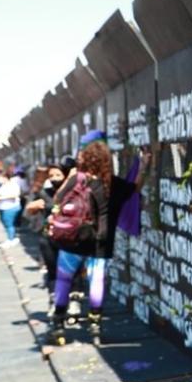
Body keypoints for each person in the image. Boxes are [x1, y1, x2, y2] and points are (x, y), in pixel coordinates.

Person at [48, 131, 149, 344]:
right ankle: (95, 324)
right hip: (101, 241)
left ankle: (58, 324)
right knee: (97, 280)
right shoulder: (112, 183)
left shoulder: (77, 178)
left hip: (73, 237)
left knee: (64, 278)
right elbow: (136, 188)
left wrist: (74, 174)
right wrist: (145, 164)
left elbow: (56, 198)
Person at [24, 162, 71, 295]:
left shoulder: (72, 193)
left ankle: (72, 300)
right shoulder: (44, 193)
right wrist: (33, 207)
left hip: (69, 236)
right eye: (51, 175)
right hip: (48, 236)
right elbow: (29, 211)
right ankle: (54, 299)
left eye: (58, 175)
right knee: (53, 270)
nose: (54, 178)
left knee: (70, 271)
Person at [0, 171, 23, 248]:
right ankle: (12, 237)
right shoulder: (2, 186)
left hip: (10, 207)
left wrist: (0, 198)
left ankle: (10, 239)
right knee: (5, 222)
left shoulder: (13, 185)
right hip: (2, 207)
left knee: (8, 223)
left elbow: (14, 195)